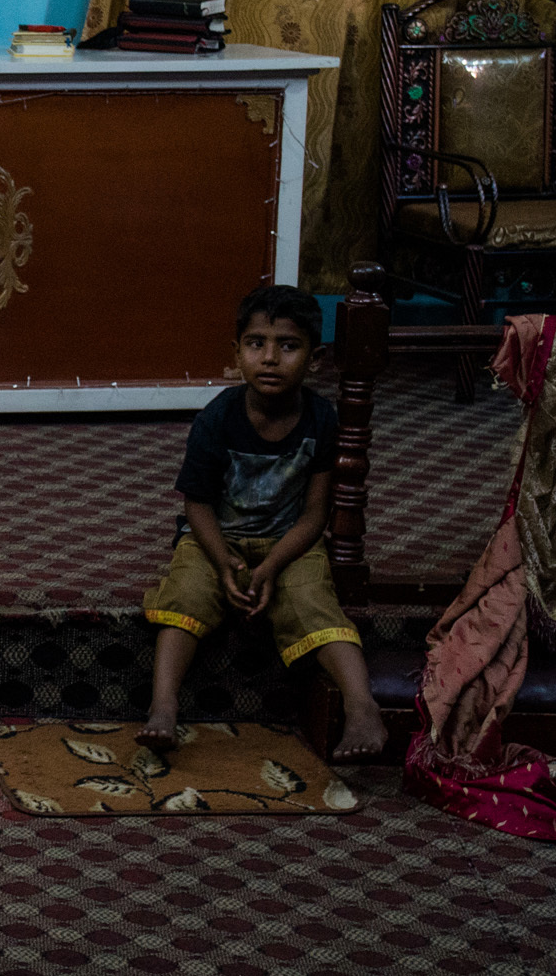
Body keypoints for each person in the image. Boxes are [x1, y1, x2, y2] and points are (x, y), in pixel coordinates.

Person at [136, 284, 388, 763]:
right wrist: (224, 560)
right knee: (185, 594)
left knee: (314, 600)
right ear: (237, 353)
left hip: (289, 542)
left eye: (288, 346)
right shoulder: (217, 418)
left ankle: (361, 706)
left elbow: (317, 512)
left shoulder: (321, 419)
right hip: (213, 538)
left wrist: (272, 564)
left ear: (315, 358)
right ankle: (163, 705)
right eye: (257, 344)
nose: (270, 358)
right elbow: (197, 505)